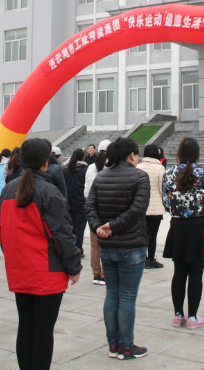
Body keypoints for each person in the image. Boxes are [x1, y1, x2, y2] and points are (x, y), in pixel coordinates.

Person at [0, 138, 82, 370]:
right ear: (47, 161)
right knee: (43, 330)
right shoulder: (49, 192)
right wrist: (74, 266)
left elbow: (1, 230)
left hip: (20, 270)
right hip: (47, 272)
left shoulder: (8, 189)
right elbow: (63, 235)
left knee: (26, 326)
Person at [85, 137, 150, 360]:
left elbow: (90, 206)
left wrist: (99, 228)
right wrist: (110, 227)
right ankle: (126, 346)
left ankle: (113, 345)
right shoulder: (139, 176)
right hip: (131, 246)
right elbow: (138, 209)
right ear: (131, 154)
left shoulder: (101, 176)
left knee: (112, 295)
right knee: (127, 297)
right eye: (137, 154)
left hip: (108, 246)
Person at [162, 137, 204, 330]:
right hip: (200, 227)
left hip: (178, 227)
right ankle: (193, 316)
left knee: (179, 272)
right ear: (197, 154)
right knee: (196, 274)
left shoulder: (169, 173)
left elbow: (166, 201)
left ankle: (178, 314)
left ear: (179, 154)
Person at [83, 139, 111, 285]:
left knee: (95, 244)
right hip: (107, 209)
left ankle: (96, 273)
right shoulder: (112, 167)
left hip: (93, 209)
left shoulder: (91, 168)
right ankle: (105, 273)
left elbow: (86, 191)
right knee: (107, 243)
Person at [137, 144, 165, 269]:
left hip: (141, 206)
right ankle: (151, 259)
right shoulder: (160, 169)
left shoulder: (138, 167)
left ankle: (142, 258)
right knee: (153, 235)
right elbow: (162, 188)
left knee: (142, 234)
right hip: (155, 207)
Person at [63, 148, 88, 257]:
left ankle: (70, 249)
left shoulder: (66, 169)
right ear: (83, 157)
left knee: (70, 227)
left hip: (69, 202)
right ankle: (78, 250)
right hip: (81, 203)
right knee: (79, 229)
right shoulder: (85, 170)